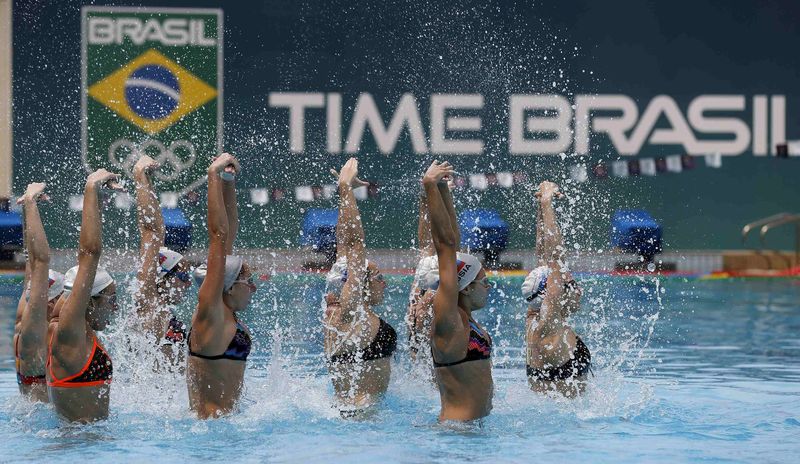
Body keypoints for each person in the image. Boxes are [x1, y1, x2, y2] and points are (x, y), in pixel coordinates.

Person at [323, 158, 396, 417]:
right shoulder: (351, 311)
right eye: (378, 277)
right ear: (359, 284)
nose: (384, 283)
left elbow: (344, 245)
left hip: (353, 414)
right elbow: (354, 243)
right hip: (363, 419)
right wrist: (344, 187)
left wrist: (349, 194)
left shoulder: (339, 314)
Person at [421, 160, 493, 422]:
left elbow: (454, 243)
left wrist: (444, 190)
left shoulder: (463, 318)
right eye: (484, 282)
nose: (488, 288)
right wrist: (430, 185)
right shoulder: (449, 320)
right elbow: (446, 245)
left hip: (470, 431)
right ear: (467, 287)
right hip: (456, 433)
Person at [186, 153, 256, 419]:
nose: (253, 289)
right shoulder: (210, 312)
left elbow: (229, 230)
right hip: (211, 431)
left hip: (222, 426)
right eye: (248, 282)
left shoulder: (220, 312)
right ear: (228, 287)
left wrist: (228, 182)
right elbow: (218, 235)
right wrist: (213, 175)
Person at [47, 169, 120, 422]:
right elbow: (90, 253)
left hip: (86, 443)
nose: (117, 308)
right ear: (89, 300)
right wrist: (91, 188)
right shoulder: (69, 331)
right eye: (112, 300)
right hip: (79, 447)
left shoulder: (71, 328)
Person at [523, 181, 590, 397]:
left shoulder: (536, 320)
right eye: (569, 285)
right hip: (567, 426)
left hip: (553, 421)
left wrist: (541, 210)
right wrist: (547, 201)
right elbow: (555, 257)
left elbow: (544, 258)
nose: (577, 290)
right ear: (553, 293)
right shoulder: (548, 330)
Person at [132, 155, 193, 368]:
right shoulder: (149, 302)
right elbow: (151, 231)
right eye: (184, 277)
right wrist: (140, 177)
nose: (188, 284)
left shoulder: (162, 308)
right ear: (162, 277)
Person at [13, 183, 64, 402]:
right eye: (63, 296)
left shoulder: (26, 317)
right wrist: (32, 201)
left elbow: (31, 259)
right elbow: (41, 260)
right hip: (42, 428)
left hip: (29, 418)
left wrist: (28, 208)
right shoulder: (35, 330)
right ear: (49, 301)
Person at [406, 179, 459, 362]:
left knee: (425, 252)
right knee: (444, 251)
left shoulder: (417, 303)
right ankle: (426, 195)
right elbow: (451, 244)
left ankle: (424, 196)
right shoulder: (434, 297)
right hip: (437, 360)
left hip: (419, 337)